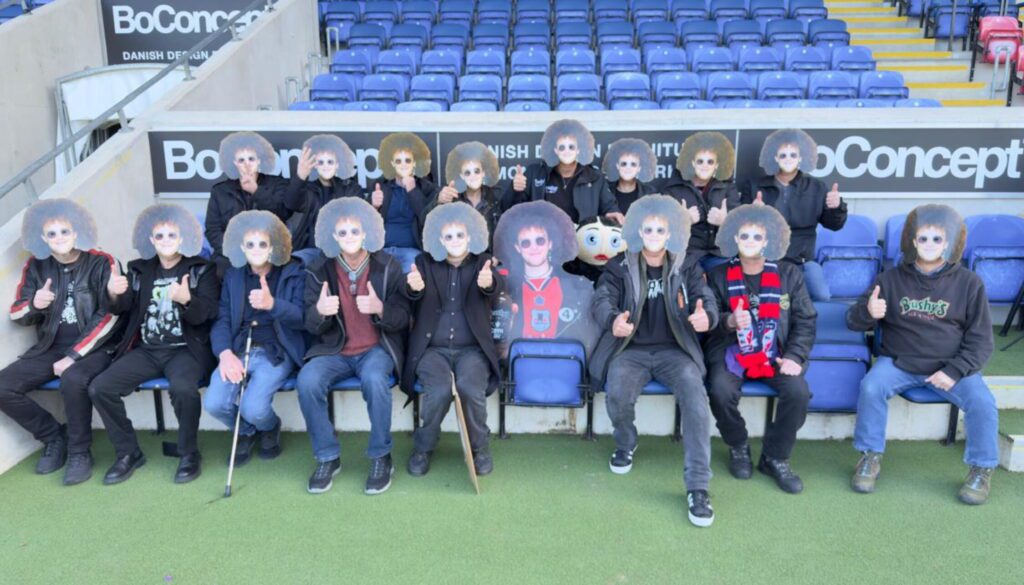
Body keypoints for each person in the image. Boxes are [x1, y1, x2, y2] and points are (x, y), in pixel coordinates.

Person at [846, 204, 998, 505]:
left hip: (950, 366)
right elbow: (852, 321)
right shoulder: (889, 279)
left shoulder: (970, 283)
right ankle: (870, 456)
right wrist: (868, 312)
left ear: (948, 243)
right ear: (913, 242)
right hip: (899, 363)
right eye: (923, 238)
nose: (929, 244)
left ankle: (981, 469)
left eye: (937, 239)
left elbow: (981, 341)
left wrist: (955, 370)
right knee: (872, 386)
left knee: (983, 402)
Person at [590, 194, 719, 528]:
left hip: (675, 352)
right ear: (637, 231)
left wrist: (708, 316)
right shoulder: (620, 265)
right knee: (617, 393)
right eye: (648, 229)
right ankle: (626, 442)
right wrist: (613, 320)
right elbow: (602, 299)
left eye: (661, 229)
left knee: (695, 399)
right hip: (630, 350)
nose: (654, 235)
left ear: (671, 233)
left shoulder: (686, 265)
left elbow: (705, 299)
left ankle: (698, 486)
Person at [89, 204, 219, 485]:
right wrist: (112, 293)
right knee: (100, 387)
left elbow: (208, 314)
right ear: (151, 240)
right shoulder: (138, 270)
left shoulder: (201, 269)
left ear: (182, 238)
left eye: (172, 235)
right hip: (147, 350)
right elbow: (122, 308)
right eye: (160, 236)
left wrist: (187, 300)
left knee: (183, 389)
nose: (166, 241)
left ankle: (188, 453)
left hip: (185, 350)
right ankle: (128, 452)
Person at [1, 199, 121, 485]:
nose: (59, 238)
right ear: (43, 238)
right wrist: (35, 303)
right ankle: (54, 437)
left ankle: (80, 452)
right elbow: (17, 313)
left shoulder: (101, 261)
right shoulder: (37, 266)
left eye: (64, 231)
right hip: (50, 347)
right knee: (3, 386)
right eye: (51, 234)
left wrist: (74, 355)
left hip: (95, 348)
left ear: (76, 232)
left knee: (72, 378)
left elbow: (112, 315)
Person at [297, 197, 410, 495]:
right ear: (334, 237)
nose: (349, 237)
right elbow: (309, 322)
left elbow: (404, 317)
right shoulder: (318, 270)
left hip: (376, 349)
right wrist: (320, 311)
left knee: (374, 380)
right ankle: (327, 457)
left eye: (355, 231)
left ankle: (381, 456)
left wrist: (380, 308)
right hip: (334, 351)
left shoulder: (388, 266)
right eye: (343, 232)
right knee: (307, 380)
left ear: (366, 233)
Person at [705, 204, 816, 494]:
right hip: (732, 351)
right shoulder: (717, 276)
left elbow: (805, 320)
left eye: (757, 236)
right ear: (735, 239)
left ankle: (775, 457)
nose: (751, 241)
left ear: (768, 241)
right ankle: (738, 445)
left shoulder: (789, 274)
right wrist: (729, 321)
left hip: (775, 353)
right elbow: (709, 319)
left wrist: (794, 356)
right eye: (745, 236)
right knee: (720, 390)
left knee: (798, 392)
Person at [404, 202, 503, 477]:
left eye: (460, 235)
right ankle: (423, 448)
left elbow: (496, 287)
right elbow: (408, 293)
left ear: (470, 237)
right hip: (432, 351)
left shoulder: (482, 263)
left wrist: (489, 284)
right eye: (449, 236)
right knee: (438, 391)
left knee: (469, 388)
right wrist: (412, 289)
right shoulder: (424, 263)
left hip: (472, 351)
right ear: (440, 240)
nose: (455, 240)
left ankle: (480, 448)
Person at [203, 211, 307, 467]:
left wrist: (273, 304)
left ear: (272, 247)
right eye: (250, 244)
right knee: (215, 403)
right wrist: (225, 354)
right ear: (242, 247)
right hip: (239, 349)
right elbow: (223, 319)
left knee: (254, 408)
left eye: (263, 244)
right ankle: (247, 431)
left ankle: (269, 426)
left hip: (276, 351)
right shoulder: (233, 276)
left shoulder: (293, 272)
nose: (257, 249)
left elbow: (302, 318)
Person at [741, 129, 847, 301]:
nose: (788, 159)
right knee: (766, 300)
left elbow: (834, 225)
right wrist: (753, 214)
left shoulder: (816, 187)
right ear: (775, 158)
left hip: (802, 261)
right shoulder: (754, 186)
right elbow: (741, 228)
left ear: (800, 158)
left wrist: (837, 207)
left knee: (821, 295)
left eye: (793, 155)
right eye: (783, 155)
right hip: (765, 259)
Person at [491, 200, 599, 357]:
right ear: (517, 248)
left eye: (540, 241)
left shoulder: (580, 287)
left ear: (550, 244)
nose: (534, 247)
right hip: (518, 365)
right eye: (526, 243)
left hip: (564, 364)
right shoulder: (504, 288)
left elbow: (591, 338)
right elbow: (495, 344)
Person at [509, 118, 624, 225]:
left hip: (582, 238)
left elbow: (609, 207)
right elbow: (510, 210)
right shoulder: (535, 173)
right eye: (562, 147)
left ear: (578, 150)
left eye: (571, 147)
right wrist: (516, 191)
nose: (567, 151)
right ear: (555, 150)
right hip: (545, 238)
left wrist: (613, 213)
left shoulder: (595, 177)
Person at [206, 131, 290, 277]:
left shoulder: (277, 184)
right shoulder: (220, 191)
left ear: (259, 161)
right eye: (241, 160)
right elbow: (213, 230)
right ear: (234, 163)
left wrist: (256, 191)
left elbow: (282, 215)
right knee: (218, 271)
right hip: (230, 256)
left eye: (251, 159)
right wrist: (236, 252)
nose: (247, 165)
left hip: (267, 252)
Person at [662, 132, 742, 271]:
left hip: (720, 254)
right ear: (692, 163)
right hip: (687, 255)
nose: (705, 165)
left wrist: (725, 221)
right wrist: (682, 221)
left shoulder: (727, 187)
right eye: (700, 161)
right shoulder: (673, 189)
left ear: (717, 165)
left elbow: (741, 226)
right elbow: (660, 230)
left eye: (710, 161)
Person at [368, 132, 439, 272]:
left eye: (407, 160)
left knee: (411, 280)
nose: (403, 164)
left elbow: (428, 219)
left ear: (414, 163)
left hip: (412, 252)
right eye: (398, 161)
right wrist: (374, 206)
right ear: (392, 164)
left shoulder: (426, 188)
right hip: (382, 250)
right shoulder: (381, 187)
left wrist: (412, 191)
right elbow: (364, 222)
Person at [426, 141, 510, 249]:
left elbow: (510, 227)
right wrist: (438, 201)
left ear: (483, 173)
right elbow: (425, 221)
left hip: (489, 255)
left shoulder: (497, 196)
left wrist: (498, 254)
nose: (473, 176)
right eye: (467, 172)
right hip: (460, 256)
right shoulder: (451, 197)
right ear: (461, 176)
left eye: (476, 171)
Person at [284, 134, 362, 251]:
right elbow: (291, 203)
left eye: (330, 162)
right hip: (312, 249)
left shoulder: (350, 188)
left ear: (337, 165)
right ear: (315, 165)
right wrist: (300, 176)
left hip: (341, 248)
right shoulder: (309, 190)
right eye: (321, 162)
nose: (326, 166)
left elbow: (358, 218)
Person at [600, 137, 662, 214]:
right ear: (617, 166)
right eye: (624, 164)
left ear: (639, 168)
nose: (628, 168)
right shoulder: (605, 192)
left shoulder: (650, 194)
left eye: (633, 164)